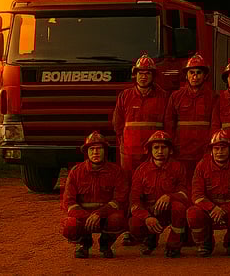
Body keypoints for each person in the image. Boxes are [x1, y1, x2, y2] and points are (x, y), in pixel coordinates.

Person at [59, 131, 128, 259]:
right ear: (86, 152)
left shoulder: (117, 172)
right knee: (70, 225)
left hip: (105, 216)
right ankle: (84, 244)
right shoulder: (76, 172)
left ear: (105, 151)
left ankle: (105, 243)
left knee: (119, 219)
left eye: (99, 149)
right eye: (92, 149)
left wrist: (99, 214)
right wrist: (87, 216)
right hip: (84, 218)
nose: (95, 152)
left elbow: (120, 200)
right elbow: (68, 202)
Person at [187, 129, 230, 257]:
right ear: (211, 151)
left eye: (223, 148)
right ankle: (204, 242)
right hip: (208, 209)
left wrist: (223, 210)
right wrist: (212, 208)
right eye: (216, 148)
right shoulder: (202, 166)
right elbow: (196, 195)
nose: (220, 152)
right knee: (193, 213)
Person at [128, 130, 190, 258]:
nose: (160, 151)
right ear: (150, 150)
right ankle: (150, 238)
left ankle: (174, 244)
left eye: (164, 147)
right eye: (156, 147)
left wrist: (170, 196)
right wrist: (146, 217)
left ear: (170, 150)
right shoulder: (141, 170)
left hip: (170, 210)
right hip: (149, 212)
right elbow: (134, 201)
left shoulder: (178, 167)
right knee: (134, 224)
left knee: (179, 207)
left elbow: (185, 193)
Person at [113, 53, 170, 178]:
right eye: (140, 73)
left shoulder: (163, 96)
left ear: (153, 76)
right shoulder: (125, 96)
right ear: (135, 75)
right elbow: (118, 124)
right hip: (130, 152)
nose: (143, 77)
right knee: (129, 183)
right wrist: (124, 144)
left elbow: (168, 124)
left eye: (147, 73)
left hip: (153, 152)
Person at [165, 53, 217, 183]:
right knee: (183, 182)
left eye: (199, 72)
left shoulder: (213, 97)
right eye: (191, 72)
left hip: (203, 150)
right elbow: (169, 123)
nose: (195, 76)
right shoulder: (176, 96)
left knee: (204, 182)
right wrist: (171, 147)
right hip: (181, 150)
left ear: (205, 76)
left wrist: (211, 148)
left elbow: (215, 124)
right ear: (186, 75)